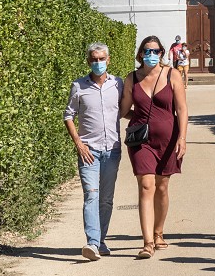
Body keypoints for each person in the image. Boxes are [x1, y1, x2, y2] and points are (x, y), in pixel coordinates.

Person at [120, 34, 188, 258]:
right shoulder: (132, 78)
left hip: (169, 140)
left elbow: (182, 109)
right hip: (141, 141)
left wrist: (182, 138)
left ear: (162, 53)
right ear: (140, 54)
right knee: (147, 185)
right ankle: (147, 242)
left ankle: (159, 232)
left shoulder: (172, 75)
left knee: (162, 186)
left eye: (155, 51)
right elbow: (123, 111)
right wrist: (138, 118)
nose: (151, 55)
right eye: (147, 51)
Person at [63, 42, 124, 261]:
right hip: (89, 150)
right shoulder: (79, 86)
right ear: (89, 61)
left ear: (108, 60)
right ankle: (92, 242)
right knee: (91, 195)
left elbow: (125, 109)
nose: (98, 63)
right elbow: (68, 115)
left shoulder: (118, 84)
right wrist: (78, 143)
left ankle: (101, 241)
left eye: (101, 59)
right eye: (94, 59)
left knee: (106, 199)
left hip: (112, 150)